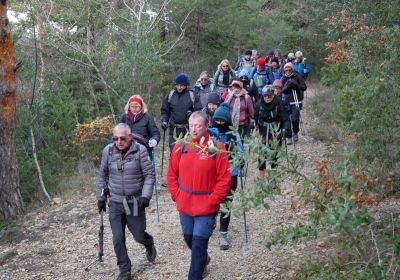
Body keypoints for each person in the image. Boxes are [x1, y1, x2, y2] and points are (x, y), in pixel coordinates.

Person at [167, 111, 231, 280]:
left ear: (207, 126)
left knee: (198, 245)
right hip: (185, 205)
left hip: (206, 207)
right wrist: (177, 195)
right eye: (191, 125)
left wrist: (213, 201)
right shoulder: (180, 146)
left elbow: (224, 178)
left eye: (198, 126)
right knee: (189, 238)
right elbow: (172, 175)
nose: (194, 129)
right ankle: (204, 258)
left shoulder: (216, 147)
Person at [96, 123, 157, 280]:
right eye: (115, 138)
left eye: (122, 138)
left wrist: (145, 196)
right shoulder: (108, 151)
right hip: (115, 202)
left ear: (130, 137)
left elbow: (149, 175)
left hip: (134, 202)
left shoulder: (140, 151)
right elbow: (102, 175)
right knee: (117, 238)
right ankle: (125, 270)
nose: (119, 141)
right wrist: (100, 197)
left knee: (138, 235)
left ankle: (148, 242)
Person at [208, 103, 244, 250]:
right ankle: (210, 223)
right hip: (212, 174)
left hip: (230, 173)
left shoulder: (234, 135)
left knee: (226, 204)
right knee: (212, 201)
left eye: (223, 121)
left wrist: (240, 160)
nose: (220, 123)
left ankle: (223, 234)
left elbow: (241, 152)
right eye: (218, 121)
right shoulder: (209, 133)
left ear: (228, 121)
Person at [254, 87, 290, 178]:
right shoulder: (259, 104)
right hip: (262, 132)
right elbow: (255, 117)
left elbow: (286, 119)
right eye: (265, 96)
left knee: (274, 155)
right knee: (261, 155)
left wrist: (285, 129)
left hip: (276, 132)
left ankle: (274, 180)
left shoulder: (279, 103)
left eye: (269, 96)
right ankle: (262, 180)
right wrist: (253, 124)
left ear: (273, 95)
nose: (267, 98)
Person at [160, 73, 202, 150]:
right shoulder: (171, 95)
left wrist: (192, 114)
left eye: (182, 85)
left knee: (187, 151)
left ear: (186, 85)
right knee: (174, 151)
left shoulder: (192, 95)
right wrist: (164, 121)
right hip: (174, 130)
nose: (179, 87)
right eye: (177, 85)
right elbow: (165, 110)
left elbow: (199, 111)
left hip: (188, 129)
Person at [281, 63, 307, 144]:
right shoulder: (283, 78)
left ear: (292, 69)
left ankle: (295, 132)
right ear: (284, 70)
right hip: (286, 101)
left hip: (296, 101)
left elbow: (304, 87)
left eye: (289, 69)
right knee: (287, 120)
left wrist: (296, 86)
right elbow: (281, 89)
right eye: (286, 70)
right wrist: (287, 87)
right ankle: (289, 136)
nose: (288, 71)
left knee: (295, 119)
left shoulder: (297, 76)